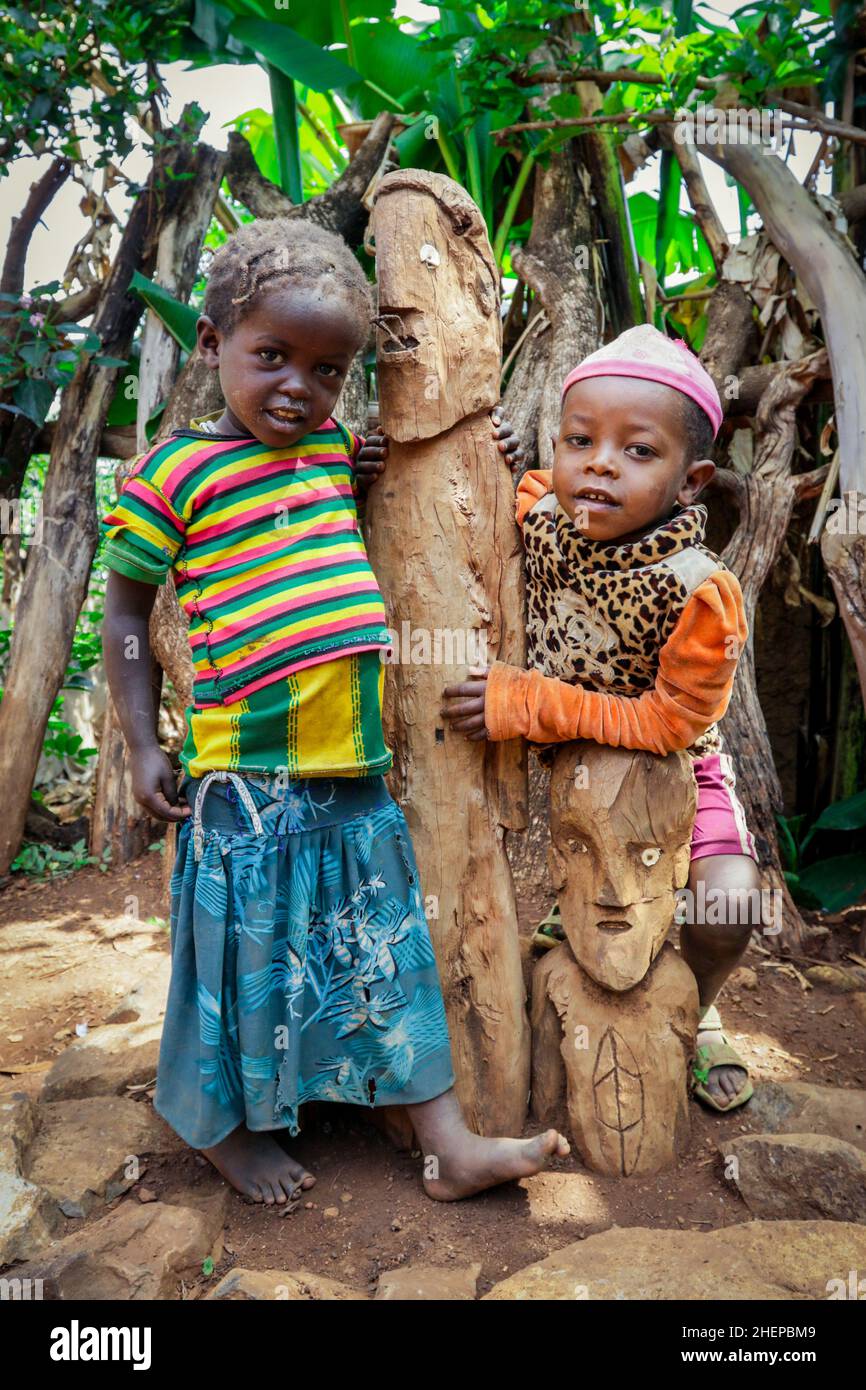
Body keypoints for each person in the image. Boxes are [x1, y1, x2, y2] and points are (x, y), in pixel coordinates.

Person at [100, 216, 568, 1206]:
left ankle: (446, 1143)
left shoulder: (329, 457)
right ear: (211, 342)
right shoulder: (171, 474)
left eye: (323, 370)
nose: (295, 388)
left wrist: (506, 443)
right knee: (239, 959)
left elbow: (448, 470)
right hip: (245, 781)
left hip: (351, 768)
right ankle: (226, 1129)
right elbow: (127, 616)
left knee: (387, 947)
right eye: (271, 356)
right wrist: (141, 742)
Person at [442, 324, 762, 1113]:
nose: (600, 464)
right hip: (548, 766)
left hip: (667, 774)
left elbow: (669, 725)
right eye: (579, 440)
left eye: (638, 451)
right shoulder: (547, 506)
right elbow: (499, 485)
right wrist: (503, 452)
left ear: (693, 482)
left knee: (729, 901)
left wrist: (526, 702)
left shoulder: (699, 593)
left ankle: (701, 1001)